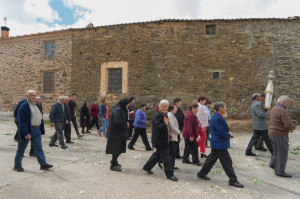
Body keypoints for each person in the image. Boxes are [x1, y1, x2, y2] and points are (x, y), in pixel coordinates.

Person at [197, 102, 244, 188]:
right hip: (219, 144)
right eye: (225, 107)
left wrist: (227, 133)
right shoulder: (218, 118)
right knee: (227, 162)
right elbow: (220, 132)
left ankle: (202, 173)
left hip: (217, 143)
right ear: (220, 108)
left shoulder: (216, 116)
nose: (226, 108)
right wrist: (228, 135)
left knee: (211, 159)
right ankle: (233, 180)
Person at [13, 90, 52, 172]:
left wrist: (40, 129)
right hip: (27, 130)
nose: (34, 97)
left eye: (35, 95)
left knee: (38, 148)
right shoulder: (24, 106)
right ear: (27, 96)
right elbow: (22, 122)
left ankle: (43, 164)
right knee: (21, 148)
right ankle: (17, 166)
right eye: (32, 95)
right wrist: (26, 133)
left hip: (36, 130)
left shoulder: (36, 105)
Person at [143, 99, 178, 181]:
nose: (165, 108)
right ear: (160, 107)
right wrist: (164, 124)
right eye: (163, 106)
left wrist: (169, 135)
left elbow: (167, 128)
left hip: (164, 139)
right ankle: (170, 174)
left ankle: (147, 167)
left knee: (158, 155)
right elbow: (158, 127)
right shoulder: (157, 116)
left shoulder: (165, 115)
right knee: (166, 157)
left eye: (166, 106)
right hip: (160, 140)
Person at [269, 96, 297, 178]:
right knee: (282, 153)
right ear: (283, 102)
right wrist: (293, 126)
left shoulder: (274, 108)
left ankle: (273, 164)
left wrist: (290, 122)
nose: (289, 103)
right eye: (288, 101)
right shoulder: (283, 110)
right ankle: (280, 171)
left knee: (276, 151)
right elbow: (287, 125)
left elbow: (278, 120)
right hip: (279, 134)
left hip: (272, 133)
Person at [105, 98, 131, 171]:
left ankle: (114, 161)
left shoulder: (121, 109)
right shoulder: (117, 110)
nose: (128, 105)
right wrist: (125, 125)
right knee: (115, 149)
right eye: (127, 104)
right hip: (115, 134)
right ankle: (113, 165)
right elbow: (117, 121)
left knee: (119, 149)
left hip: (119, 133)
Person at [167, 104, 181, 170]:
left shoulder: (171, 115)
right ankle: (171, 165)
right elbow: (172, 126)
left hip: (173, 135)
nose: (176, 109)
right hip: (173, 136)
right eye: (175, 108)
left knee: (172, 151)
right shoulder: (170, 116)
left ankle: (171, 164)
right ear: (172, 109)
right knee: (172, 151)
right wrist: (178, 132)